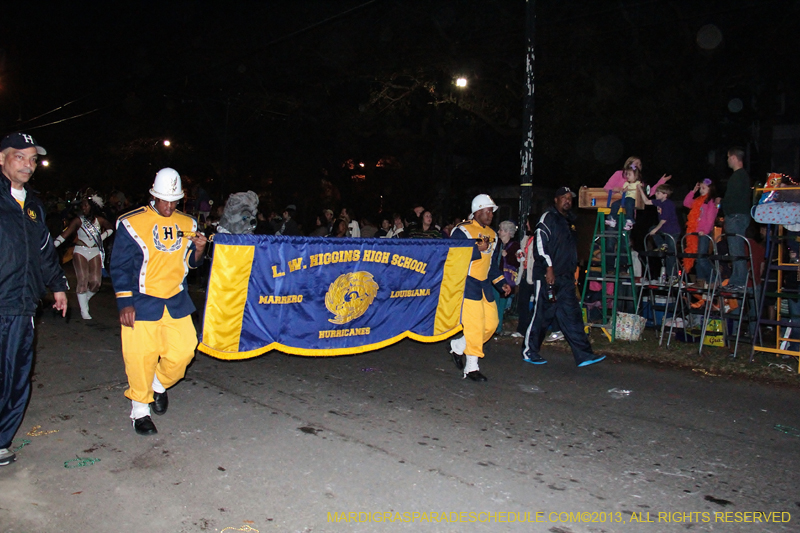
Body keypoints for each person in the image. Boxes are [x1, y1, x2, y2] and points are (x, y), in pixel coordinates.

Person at [110, 168, 207, 436]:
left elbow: (190, 263)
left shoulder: (189, 223)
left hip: (175, 299)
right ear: (153, 195)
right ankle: (140, 410)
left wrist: (199, 250)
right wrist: (125, 302)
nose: (169, 207)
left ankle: (157, 384)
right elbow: (120, 266)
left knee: (184, 352)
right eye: (165, 200)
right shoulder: (131, 222)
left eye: (174, 201)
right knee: (140, 357)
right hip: (141, 300)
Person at [0, 133, 68, 466]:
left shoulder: (34, 205)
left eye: (33, 160)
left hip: (23, 304)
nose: (28, 165)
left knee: (16, 375)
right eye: (20, 157)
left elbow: (44, 251)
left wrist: (58, 286)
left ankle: (1, 440)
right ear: (1, 158)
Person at [521, 187, 606, 367]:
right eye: (564, 197)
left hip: (566, 277)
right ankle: (529, 351)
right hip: (547, 275)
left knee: (572, 315)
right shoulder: (548, 218)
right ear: (556, 199)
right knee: (542, 314)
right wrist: (549, 267)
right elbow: (540, 244)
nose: (567, 200)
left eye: (569, 198)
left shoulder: (569, 221)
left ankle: (584, 355)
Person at [448, 194, 511, 381]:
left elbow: (492, 266)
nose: (490, 214)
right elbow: (452, 257)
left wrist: (501, 283)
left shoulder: (493, 235)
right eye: (487, 211)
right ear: (477, 211)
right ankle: (471, 367)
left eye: (492, 211)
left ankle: (459, 345)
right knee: (475, 326)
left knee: (491, 325)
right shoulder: (462, 231)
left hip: (484, 285)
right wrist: (476, 250)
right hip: (467, 283)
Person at [53, 195, 114, 319]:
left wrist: (101, 237)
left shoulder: (100, 220)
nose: (83, 208)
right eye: (83, 205)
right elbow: (65, 234)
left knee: (96, 283)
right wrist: (52, 246)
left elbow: (111, 228)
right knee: (83, 280)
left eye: (86, 205)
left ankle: (84, 298)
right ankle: (84, 310)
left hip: (95, 251)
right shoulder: (78, 220)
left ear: (92, 207)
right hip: (80, 251)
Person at [720, 147, 752, 292]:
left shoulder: (738, 176)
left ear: (733, 157)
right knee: (736, 249)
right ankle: (738, 279)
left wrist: (722, 203)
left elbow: (733, 198)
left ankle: (739, 281)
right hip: (740, 216)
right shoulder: (743, 176)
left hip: (736, 217)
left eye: (728, 157)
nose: (727, 160)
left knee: (736, 249)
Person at [683, 179, 719, 290]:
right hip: (695, 232)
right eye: (701, 188)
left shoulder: (711, 202)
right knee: (697, 257)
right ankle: (700, 280)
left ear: (710, 189)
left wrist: (705, 230)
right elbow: (686, 203)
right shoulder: (698, 200)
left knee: (702, 257)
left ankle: (714, 279)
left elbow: (710, 218)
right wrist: (693, 191)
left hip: (704, 233)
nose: (701, 190)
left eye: (704, 188)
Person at [641, 184, 681, 280]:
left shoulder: (668, 204)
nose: (656, 194)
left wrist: (656, 229)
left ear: (665, 195)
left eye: (658, 193)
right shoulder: (659, 202)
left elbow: (664, 220)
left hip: (672, 231)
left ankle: (673, 275)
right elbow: (646, 201)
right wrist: (640, 189)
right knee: (651, 229)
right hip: (665, 229)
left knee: (670, 254)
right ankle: (662, 245)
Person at [604, 156, 670, 200]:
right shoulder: (619, 174)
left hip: (629, 211)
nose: (639, 166)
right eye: (637, 163)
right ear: (629, 164)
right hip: (615, 208)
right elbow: (607, 188)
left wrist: (662, 181)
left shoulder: (639, 182)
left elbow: (648, 193)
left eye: (640, 164)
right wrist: (619, 190)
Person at [493, 220, 519, 334]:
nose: (499, 232)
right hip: (495, 278)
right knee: (493, 303)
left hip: (506, 279)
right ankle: (493, 326)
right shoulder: (497, 244)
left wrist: (507, 257)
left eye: (501, 230)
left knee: (501, 304)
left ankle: (497, 328)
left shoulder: (515, 246)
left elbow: (518, 262)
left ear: (508, 232)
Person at [606, 166, 642, 231]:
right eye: (627, 174)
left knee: (629, 204)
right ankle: (612, 219)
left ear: (636, 176)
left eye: (629, 174)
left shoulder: (638, 183)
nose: (627, 176)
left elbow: (641, 190)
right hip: (625, 199)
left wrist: (636, 188)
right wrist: (622, 190)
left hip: (632, 199)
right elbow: (622, 192)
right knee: (615, 203)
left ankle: (629, 221)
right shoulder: (626, 183)